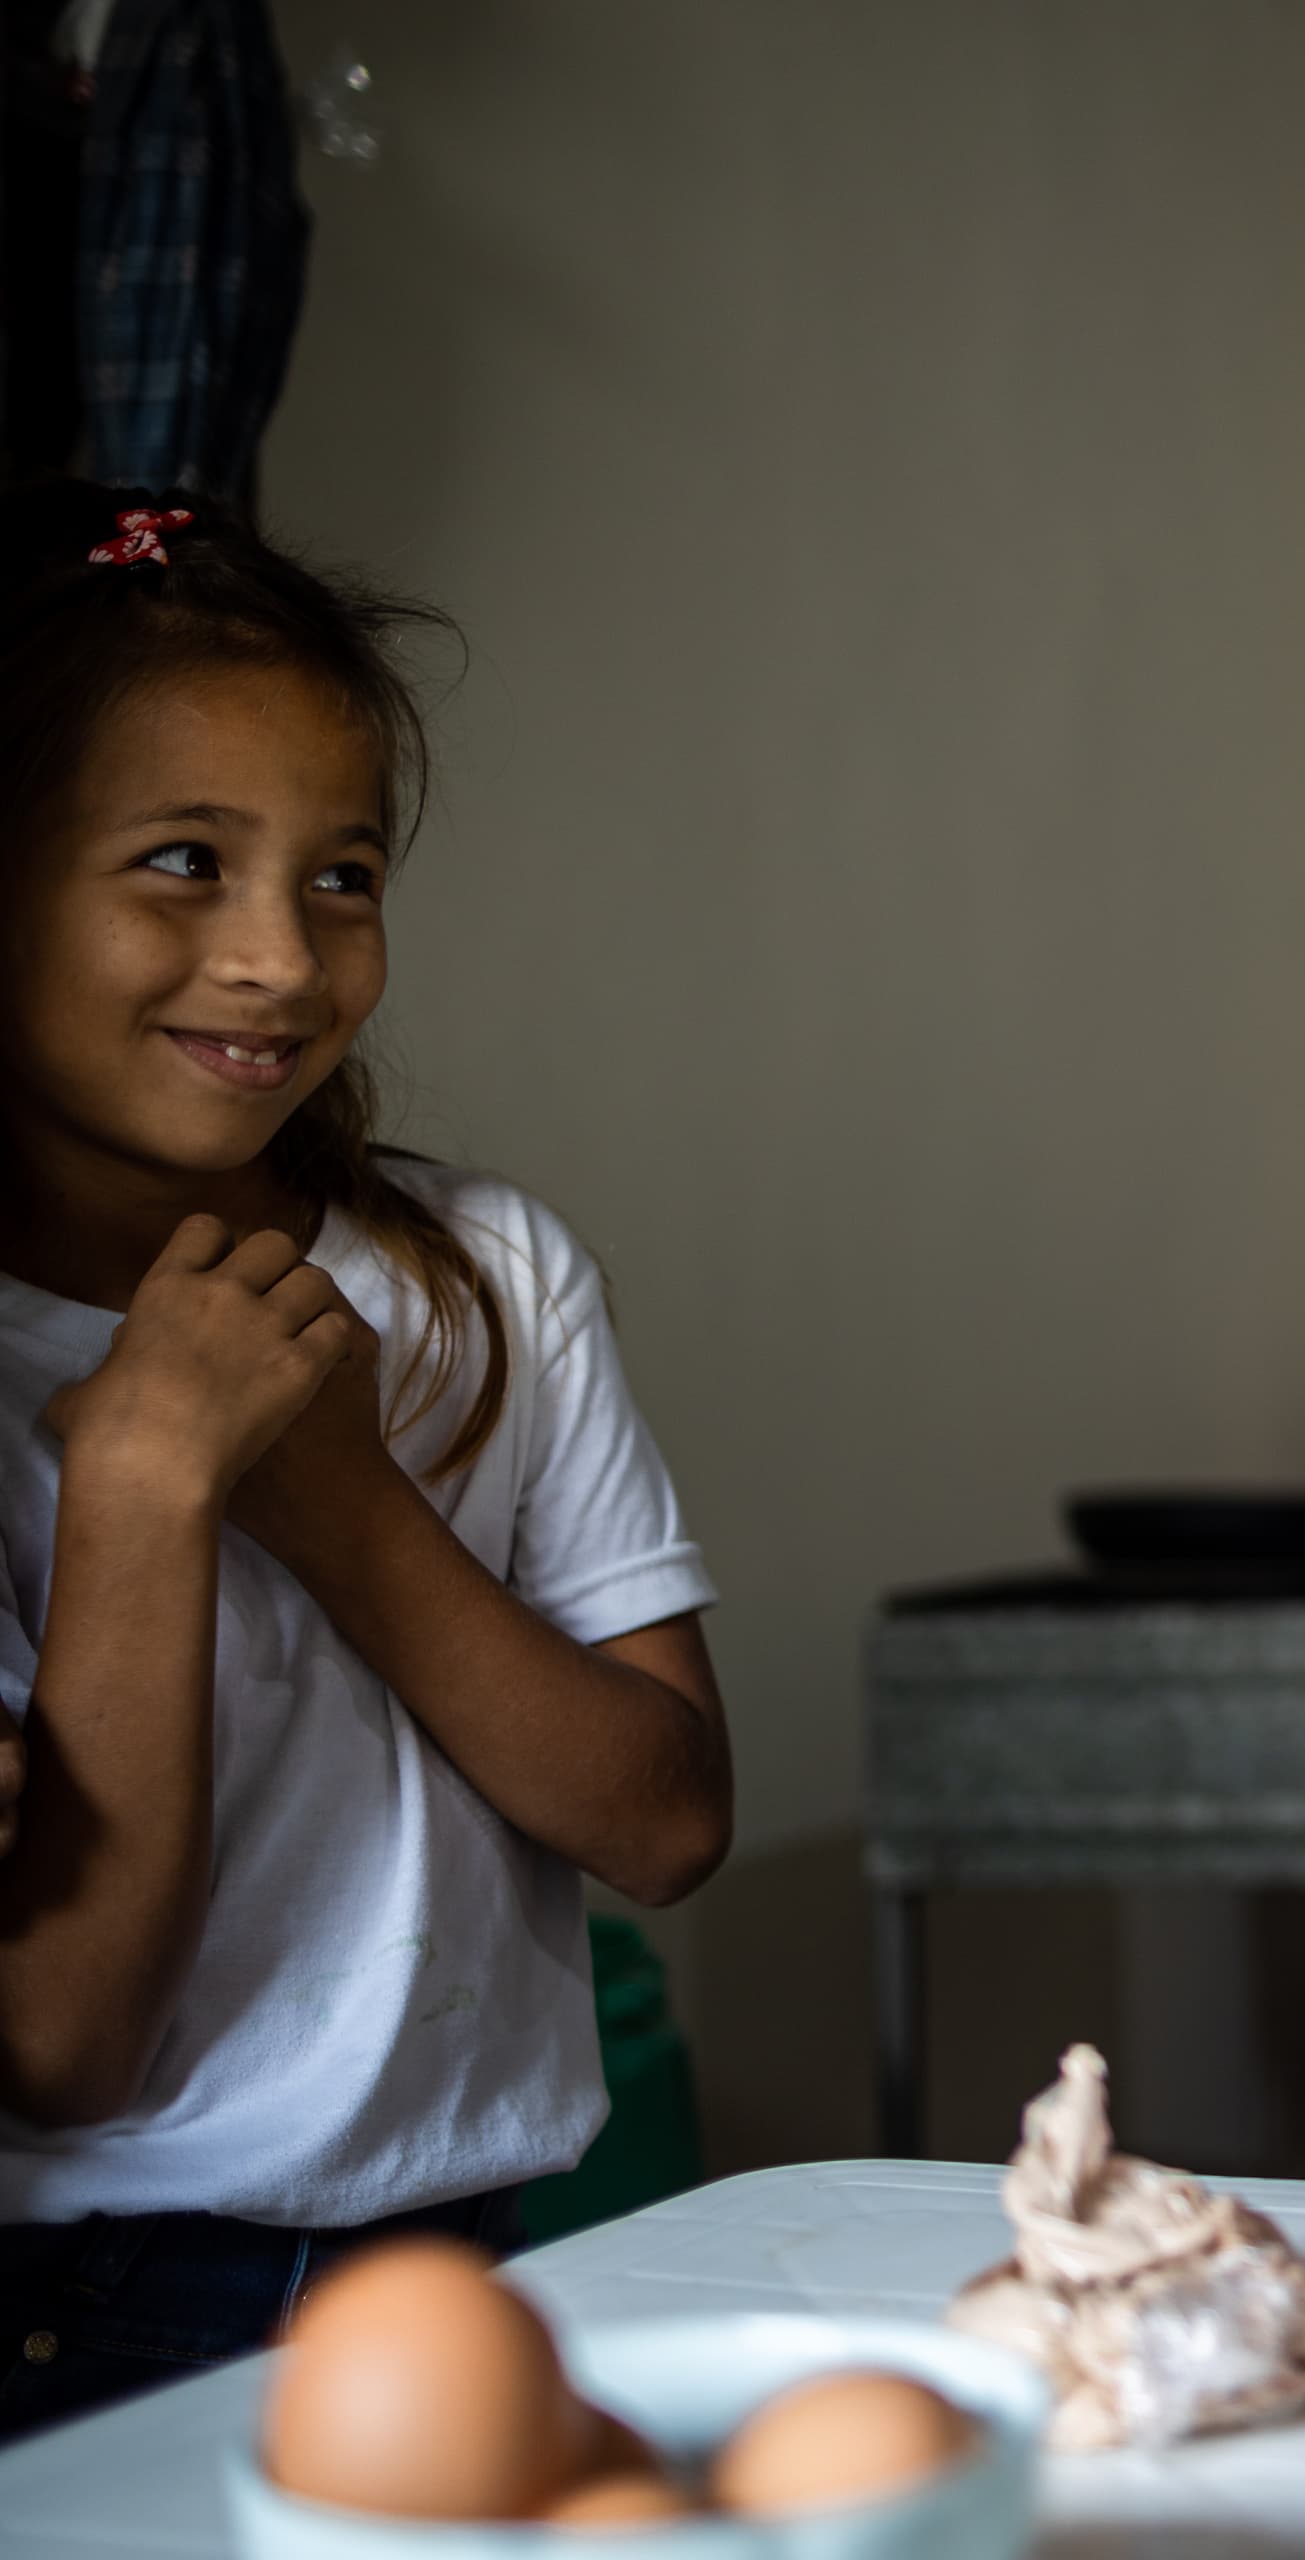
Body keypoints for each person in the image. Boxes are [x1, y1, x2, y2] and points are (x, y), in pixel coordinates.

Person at [0, 486, 730, 2441]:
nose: (276, 958)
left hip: (482, 2246)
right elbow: (59, 2039)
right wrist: (147, 1488)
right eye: (180, 861)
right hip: (90, 2296)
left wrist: (338, 1499)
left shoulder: (481, 1274)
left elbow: (665, 1818)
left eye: (343, 876)